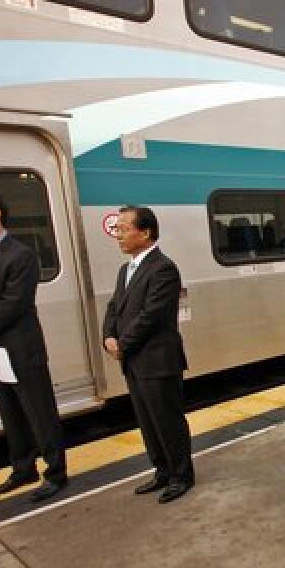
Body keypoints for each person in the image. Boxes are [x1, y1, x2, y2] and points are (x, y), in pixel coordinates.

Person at [0, 190, 68, 503]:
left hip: (20, 348)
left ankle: (56, 473)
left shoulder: (20, 255)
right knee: (9, 412)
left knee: (39, 412)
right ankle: (23, 468)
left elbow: (14, 304)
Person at [102, 206, 193, 504]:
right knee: (147, 421)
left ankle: (182, 475)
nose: (119, 234)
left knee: (167, 420)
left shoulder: (163, 268)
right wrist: (108, 336)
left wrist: (123, 343)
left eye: (124, 228)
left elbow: (152, 315)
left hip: (157, 360)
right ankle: (162, 471)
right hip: (134, 361)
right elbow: (114, 307)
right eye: (117, 228)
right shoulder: (125, 269)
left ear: (145, 232)